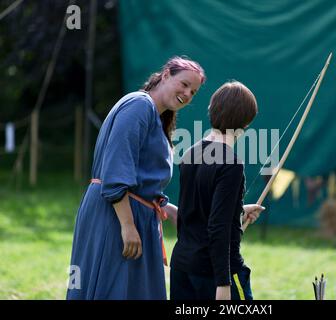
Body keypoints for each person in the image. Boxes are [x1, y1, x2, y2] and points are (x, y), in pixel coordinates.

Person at [66, 56, 206, 300]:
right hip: (115, 216)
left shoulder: (157, 117)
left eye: (193, 91)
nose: (187, 93)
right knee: (113, 291)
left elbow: (145, 183)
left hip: (137, 217)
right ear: (165, 76)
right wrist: (128, 226)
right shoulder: (139, 106)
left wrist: (172, 212)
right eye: (183, 84)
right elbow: (115, 169)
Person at [170, 81, 265, 300]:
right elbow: (217, 227)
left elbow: (196, 214)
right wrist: (223, 283)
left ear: (212, 110)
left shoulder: (190, 153)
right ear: (246, 123)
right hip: (215, 275)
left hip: (183, 267)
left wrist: (237, 211)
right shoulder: (231, 163)